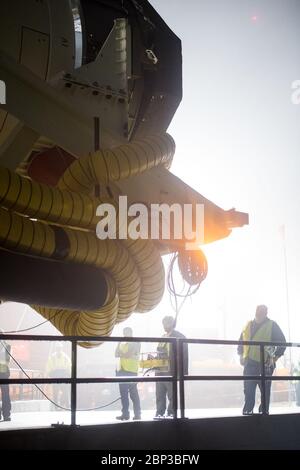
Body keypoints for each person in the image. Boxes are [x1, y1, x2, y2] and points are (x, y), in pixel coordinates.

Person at [238, 305, 286, 415]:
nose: (259, 313)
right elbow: (241, 341)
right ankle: (248, 409)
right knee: (248, 388)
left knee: (264, 390)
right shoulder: (248, 325)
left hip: (266, 363)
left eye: (262, 312)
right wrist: (241, 355)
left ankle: (263, 411)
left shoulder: (272, 325)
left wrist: (274, 358)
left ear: (265, 313)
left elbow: (283, 343)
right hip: (250, 362)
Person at [155, 316, 188, 419]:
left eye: (166, 324)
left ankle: (171, 412)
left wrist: (182, 371)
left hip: (171, 370)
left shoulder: (180, 336)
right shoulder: (163, 337)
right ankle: (159, 412)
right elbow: (159, 352)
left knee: (171, 394)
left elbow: (184, 355)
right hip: (160, 370)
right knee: (159, 393)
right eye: (163, 324)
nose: (164, 326)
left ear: (172, 324)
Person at [115, 327, 141, 421]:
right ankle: (125, 414)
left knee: (133, 393)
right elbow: (116, 353)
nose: (125, 334)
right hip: (121, 369)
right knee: (123, 394)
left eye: (127, 332)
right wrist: (123, 354)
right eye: (124, 332)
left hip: (131, 370)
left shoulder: (135, 342)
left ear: (131, 332)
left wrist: (121, 354)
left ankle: (137, 414)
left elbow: (128, 354)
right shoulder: (121, 342)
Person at [46, 343, 71, 410]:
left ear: (61, 349)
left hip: (63, 375)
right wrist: (51, 375)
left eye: (60, 348)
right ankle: (57, 406)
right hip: (55, 375)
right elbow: (48, 367)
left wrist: (68, 376)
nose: (59, 350)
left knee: (65, 391)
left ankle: (67, 405)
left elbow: (69, 367)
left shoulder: (65, 358)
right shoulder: (52, 357)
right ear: (56, 349)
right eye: (58, 348)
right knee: (56, 392)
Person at [0, 329, 11, 422]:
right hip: (3, 373)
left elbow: (7, 359)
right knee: (5, 395)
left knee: (6, 396)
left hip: (4, 374)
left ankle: (6, 414)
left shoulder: (7, 346)